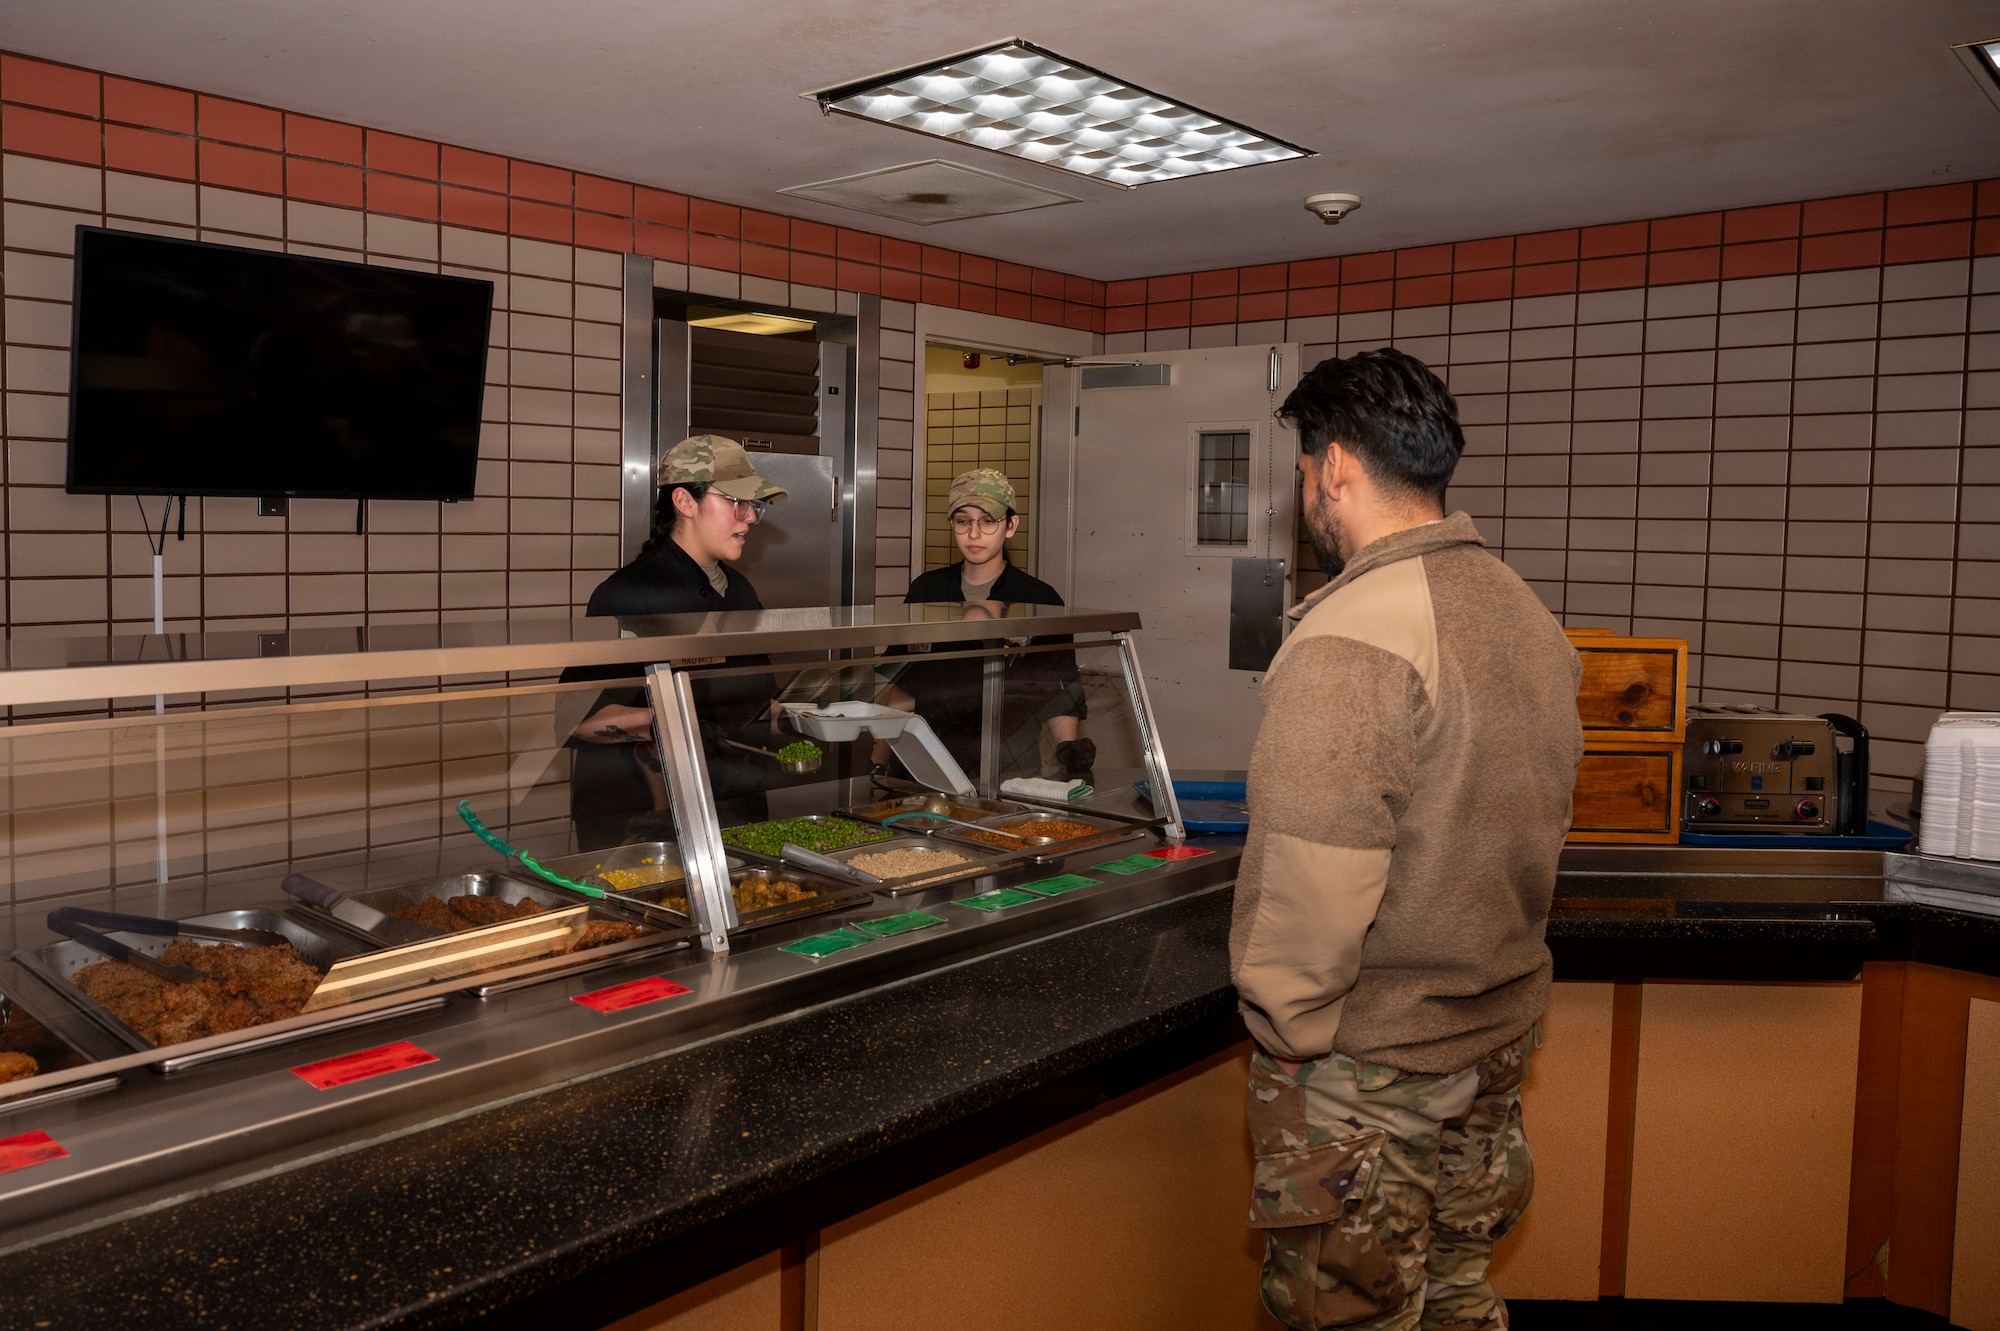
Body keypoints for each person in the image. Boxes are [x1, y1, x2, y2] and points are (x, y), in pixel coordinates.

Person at [1232, 349, 1582, 1331]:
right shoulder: (1522, 612)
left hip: (1372, 1073)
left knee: (1349, 1317)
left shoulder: (1353, 633)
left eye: (1301, 471)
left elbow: (1312, 878)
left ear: (1333, 466)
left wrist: (1292, 1040)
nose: (1301, 491)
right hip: (1494, 1036)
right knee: (1456, 1297)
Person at [564, 435, 787, 849]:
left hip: (733, 809)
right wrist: (672, 723)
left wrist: (810, 714)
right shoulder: (630, 594)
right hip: (642, 824)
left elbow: (754, 697)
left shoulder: (739, 591)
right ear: (685, 503)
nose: (750, 518)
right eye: (736, 503)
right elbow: (578, 721)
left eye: (753, 506)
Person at [879, 468, 1093, 783]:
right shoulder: (926, 592)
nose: (974, 534)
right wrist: (877, 763)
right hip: (926, 767)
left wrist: (1070, 753)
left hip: (1010, 770)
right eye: (963, 521)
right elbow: (903, 688)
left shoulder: (1038, 599)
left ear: (1010, 525)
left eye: (988, 520)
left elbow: (1058, 691)